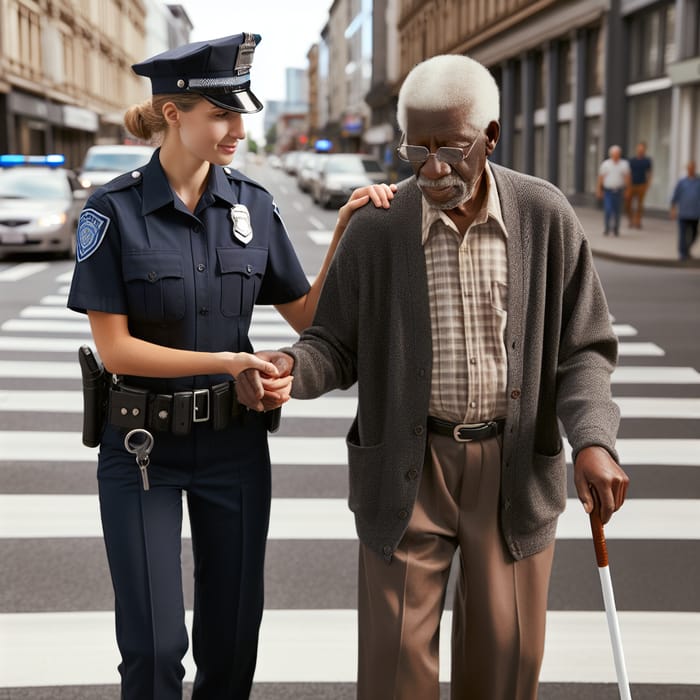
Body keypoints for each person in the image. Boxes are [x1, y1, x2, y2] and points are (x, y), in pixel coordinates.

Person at [237, 54, 630, 700]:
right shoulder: (378, 228)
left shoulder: (544, 216)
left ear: (491, 136)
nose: (434, 167)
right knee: (394, 671)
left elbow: (583, 347)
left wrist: (592, 439)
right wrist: (287, 368)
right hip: (406, 465)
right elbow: (332, 343)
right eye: (416, 149)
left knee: (505, 662)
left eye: (451, 146)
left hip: (512, 468)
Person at [66, 33, 394, 699]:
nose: (238, 130)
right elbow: (116, 350)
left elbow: (307, 318)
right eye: (221, 113)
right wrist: (228, 358)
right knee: (155, 650)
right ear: (172, 114)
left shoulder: (254, 205)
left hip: (234, 446)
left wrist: (343, 233)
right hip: (140, 448)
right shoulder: (112, 210)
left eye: (240, 114)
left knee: (233, 644)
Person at [596, 144, 630, 236]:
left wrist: (627, 190)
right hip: (608, 191)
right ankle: (607, 228)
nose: (616, 156)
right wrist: (599, 190)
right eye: (614, 154)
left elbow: (627, 178)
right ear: (611, 154)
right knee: (608, 209)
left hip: (619, 191)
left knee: (617, 211)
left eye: (617, 154)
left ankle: (616, 229)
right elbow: (601, 178)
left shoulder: (624, 164)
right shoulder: (606, 164)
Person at [670, 160, 700, 261]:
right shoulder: (682, 182)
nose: (690, 169)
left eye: (692, 168)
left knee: (695, 233)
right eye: (689, 168)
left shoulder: (698, 182)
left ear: (694, 168)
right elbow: (675, 196)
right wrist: (673, 209)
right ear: (687, 169)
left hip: (695, 213)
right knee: (682, 235)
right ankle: (682, 254)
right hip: (683, 213)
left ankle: (687, 249)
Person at [626, 141, 652, 228]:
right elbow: (628, 173)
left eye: (642, 149)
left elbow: (649, 173)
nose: (640, 150)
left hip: (642, 184)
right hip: (632, 184)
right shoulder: (632, 160)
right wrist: (628, 185)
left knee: (640, 205)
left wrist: (648, 184)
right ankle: (631, 219)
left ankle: (638, 221)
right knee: (628, 203)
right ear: (637, 149)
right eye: (639, 148)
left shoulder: (647, 161)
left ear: (644, 150)